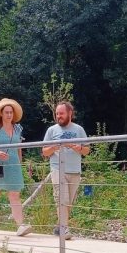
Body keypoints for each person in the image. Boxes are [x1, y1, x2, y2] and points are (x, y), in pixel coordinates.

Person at [0, 98, 32, 237]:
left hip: (13, 165)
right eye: (6, 112)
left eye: (11, 112)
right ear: (1, 114)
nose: (9, 115)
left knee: (15, 194)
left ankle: (20, 225)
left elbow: (18, 148)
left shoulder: (18, 128)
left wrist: (20, 164)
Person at [42, 101, 90, 239]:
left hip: (75, 170)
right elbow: (44, 152)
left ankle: (59, 227)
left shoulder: (79, 129)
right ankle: (64, 229)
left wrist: (77, 147)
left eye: (61, 113)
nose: (59, 116)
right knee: (62, 199)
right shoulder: (51, 130)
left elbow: (87, 150)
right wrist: (55, 146)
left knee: (69, 203)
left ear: (70, 113)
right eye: (57, 114)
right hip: (58, 169)